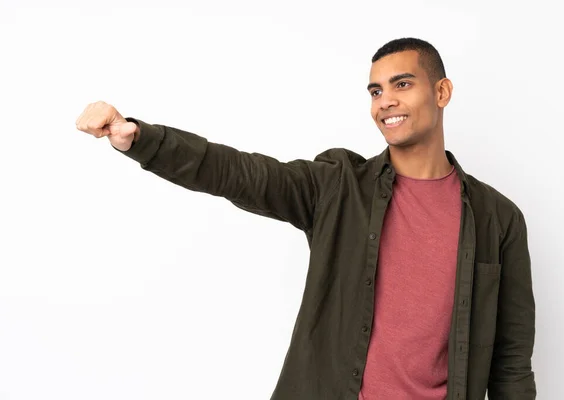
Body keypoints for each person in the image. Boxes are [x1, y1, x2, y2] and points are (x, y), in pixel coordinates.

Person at [75, 37, 536, 400]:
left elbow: (511, 361)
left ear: (441, 91)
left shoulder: (499, 219)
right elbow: (239, 173)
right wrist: (141, 139)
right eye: (376, 90)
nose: (385, 102)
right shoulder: (337, 187)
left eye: (402, 84)